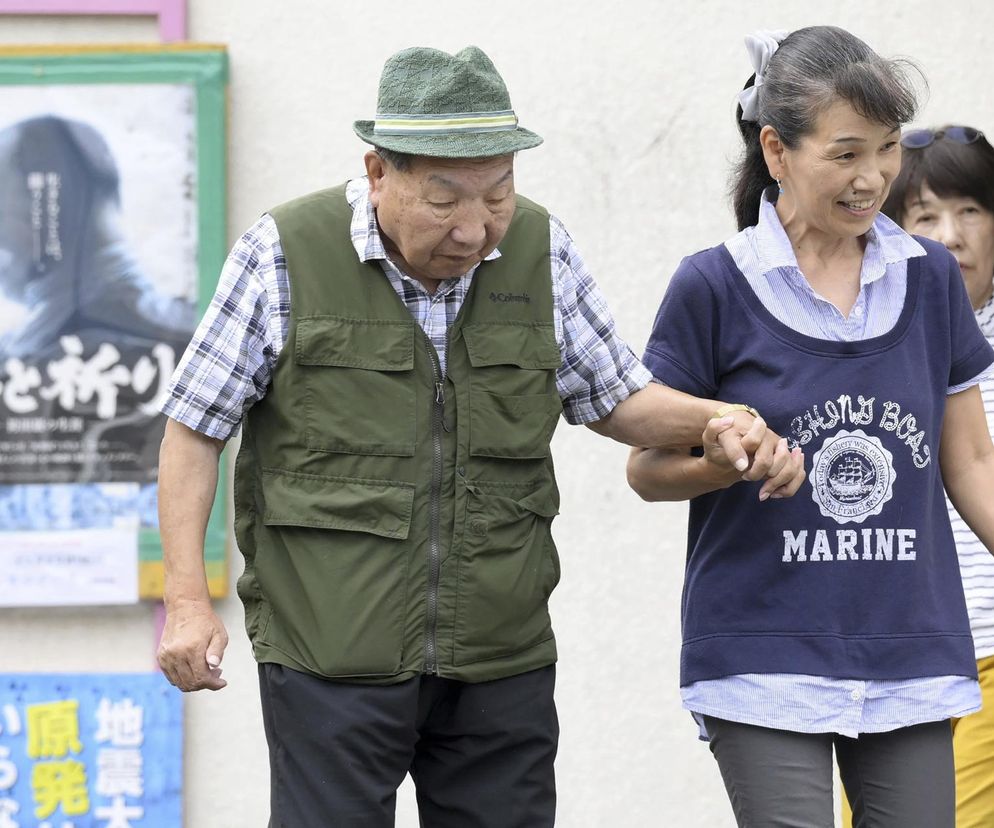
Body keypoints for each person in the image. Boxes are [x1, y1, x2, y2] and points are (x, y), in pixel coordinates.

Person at [155, 45, 804, 826]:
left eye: (498, 193)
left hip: (501, 650)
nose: (475, 229)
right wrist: (187, 601)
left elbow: (616, 398)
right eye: (445, 200)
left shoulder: (539, 248)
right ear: (377, 171)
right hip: (327, 649)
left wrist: (715, 420)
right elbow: (195, 429)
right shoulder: (284, 253)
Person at [627, 27, 994, 828]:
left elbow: (967, 460)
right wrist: (724, 458)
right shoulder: (714, 286)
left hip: (911, 651)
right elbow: (647, 467)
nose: (874, 180)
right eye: (847, 154)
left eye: (890, 149)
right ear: (777, 150)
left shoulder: (931, 281)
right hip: (763, 654)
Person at [845, 125, 994, 828]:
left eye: (970, 210)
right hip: (884, 659)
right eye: (926, 215)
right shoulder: (864, 338)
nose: (952, 235)